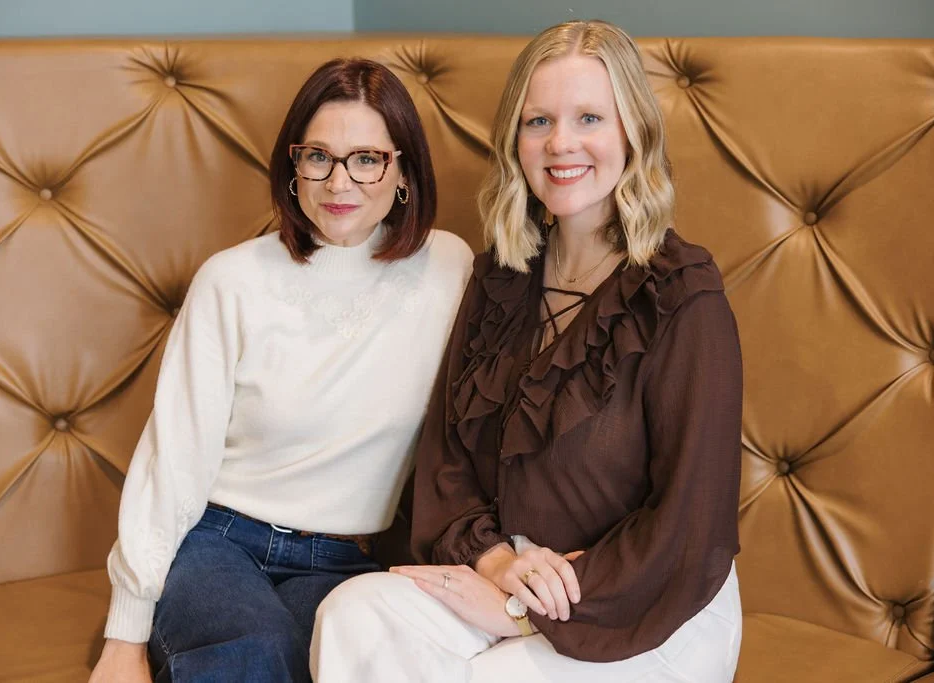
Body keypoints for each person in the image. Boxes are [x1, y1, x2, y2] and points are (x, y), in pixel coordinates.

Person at [312, 20, 742, 682]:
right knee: (353, 615)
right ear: (516, 140)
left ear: (633, 132)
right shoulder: (499, 278)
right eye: (538, 121)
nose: (561, 143)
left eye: (589, 117)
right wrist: (496, 564)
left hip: (652, 601)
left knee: (502, 675)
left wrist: (519, 610)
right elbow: (448, 460)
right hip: (510, 566)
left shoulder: (682, 297)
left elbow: (689, 525)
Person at [88, 58, 474, 683]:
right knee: (255, 652)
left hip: (341, 562)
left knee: (337, 660)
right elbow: (175, 460)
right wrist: (123, 637)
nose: (338, 181)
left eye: (366, 158)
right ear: (292, 166)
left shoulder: (451, 269)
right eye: (317, 155)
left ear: (404, 170)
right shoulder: (232, 280)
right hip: (217, 544)